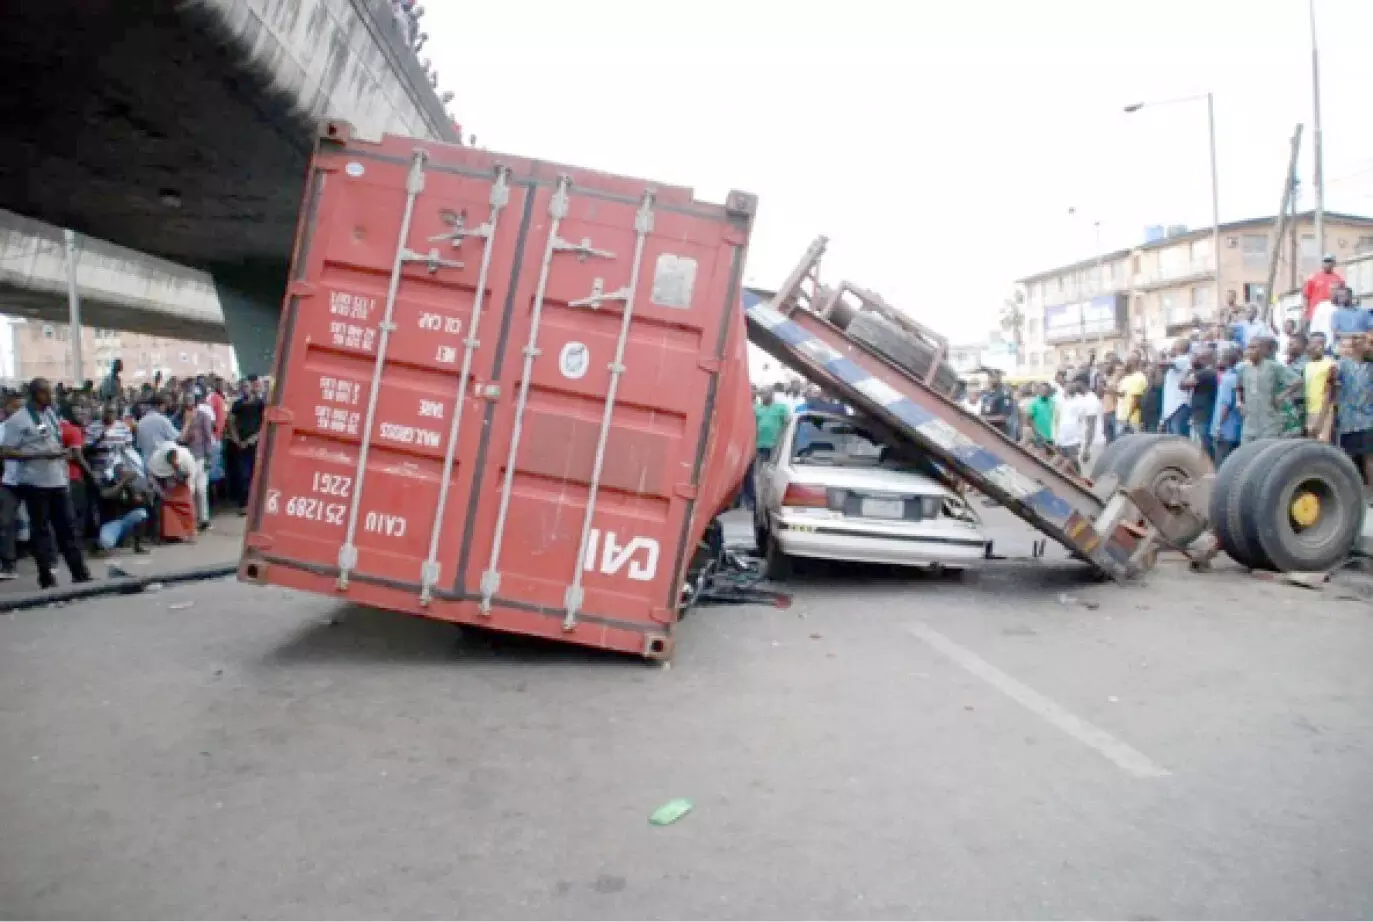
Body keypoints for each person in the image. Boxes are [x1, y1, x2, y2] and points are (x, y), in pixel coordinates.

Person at [0, 378, 91, 589]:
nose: (51, 396)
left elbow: (51, 438)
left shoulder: (50, 414)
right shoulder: (19, 420)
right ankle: (46, 577)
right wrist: (38, 455)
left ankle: (80, 573)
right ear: (37, 394)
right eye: (47, 393)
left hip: (57, 479)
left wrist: (59, 454)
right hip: (35, 483)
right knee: (41, 530)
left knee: (68, 528)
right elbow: (5, 451)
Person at [1319, 333, 1373, 489]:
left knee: (1369, 458)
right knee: (1347, 458)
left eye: (1362, 340)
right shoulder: (1341, 366)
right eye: (1354, 340)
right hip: (1348, 420)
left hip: (1368, 420)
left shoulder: (1370, 367)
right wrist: (1322, 421)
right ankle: (1347, 491)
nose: (1357, 343)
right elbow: (1329, 392)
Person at [1238, 336, 1300, 443]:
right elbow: (1238, 387)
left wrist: (1281, 396)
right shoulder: (1244, 369)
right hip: (1249, 423)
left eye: (1254, 348)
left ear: (1262, 350)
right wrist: (1239, 402)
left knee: (1266, 453)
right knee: (1246, 453)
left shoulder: (1273, 367)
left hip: (1269, 423)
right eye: (1248, 348)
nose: (1250, 351)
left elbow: (1297, 381)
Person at [226, 376, 265, 514]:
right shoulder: (237, 404)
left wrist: (256, 437)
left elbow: (264, 422)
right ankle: (244, 504)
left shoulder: (260, 403)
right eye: (242, 387)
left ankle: (256, 503)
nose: (245, 390)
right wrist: (236, 439)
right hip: (241, 444)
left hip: (255, 443)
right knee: (243, 474)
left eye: (247, 387)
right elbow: (230, 421)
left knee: (257, 473)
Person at [146, 443, 199, 542]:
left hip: (183, 487)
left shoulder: (186, 459)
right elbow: (152, 479)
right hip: (166, 488)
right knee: (165, 507)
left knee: (188, 507)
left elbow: (191, 479)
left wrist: (189, 492)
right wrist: (162, 494)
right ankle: (171, 534)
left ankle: (189, 532)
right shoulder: (154, 462)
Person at [179, 391, 216, 530]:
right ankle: (191, 519)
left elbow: (208, 438)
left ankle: (204, 518)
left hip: (200, 455)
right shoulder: (180, 416)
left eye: (190, 398)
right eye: (186, 399)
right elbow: (180, 438)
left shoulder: (203, 417)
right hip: (186, 456)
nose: (188, 401)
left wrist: (208, 456)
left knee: (201, 489)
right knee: (190, 488)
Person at [0, 391, 23, 580]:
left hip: (33, 480)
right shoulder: (3, 429)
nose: (18, 411)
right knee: (5, 522)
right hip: (10, 481)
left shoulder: (34, 425)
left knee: (43, 522)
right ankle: (8, 565)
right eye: (14, 407)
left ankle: (49, 562)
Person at [1055, 379, 1100, 471]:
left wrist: (1087, 448)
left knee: (1073, 463)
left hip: (1078, 441)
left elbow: (1091, 426)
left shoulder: (1088, 401)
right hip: (1065, 439)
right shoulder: (1068, 400)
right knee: (1071, 466)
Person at [1212, 346, 1243, 466]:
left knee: (1221, 463)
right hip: (1237, 428)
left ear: (1225, 361)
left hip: (1225, 429)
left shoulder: (1227, 380)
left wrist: (1218, 426)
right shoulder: (1238, 377)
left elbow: (1225, 405)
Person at [1186, 347, 1219, 461]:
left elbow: (1184, 384)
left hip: (1203, 412)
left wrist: (1190, 372)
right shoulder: (1207, 372)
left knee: (1205, 443)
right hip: (1202, 411)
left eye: (1199, 357)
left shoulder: (1206, 373)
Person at [1304, 334, 1337, 441]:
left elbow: (1330, 393)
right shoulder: (1307, 365)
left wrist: (1321, 420)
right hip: (1309, 410)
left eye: (1320, 343)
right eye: (1312, 343)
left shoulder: (1330, 365)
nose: (1318, 346)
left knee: (1322, 444)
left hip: (1324, 411)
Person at [1158, 338, 1193, 437]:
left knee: (1180, 440)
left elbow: (1162, 363)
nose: (1171, 349)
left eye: (1173, 347)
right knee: (1172, 442)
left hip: (1179, 406)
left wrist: (1161, 354)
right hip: (1171, 408)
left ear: (1178, 348)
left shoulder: (1184, 359)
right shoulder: (1177, 360)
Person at [135, 393, 179, 463]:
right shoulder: (163, 420)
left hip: (146, 461)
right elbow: (176, 438)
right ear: (161, 406)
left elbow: (139, 445)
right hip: (161, 461)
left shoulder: (140, 422)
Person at [1302, 254, 1345, 326]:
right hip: (1315, 313)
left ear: (1334, 263)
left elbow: (1343, 297)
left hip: (1332, 313)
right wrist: (1305, 311)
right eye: (1325, 261)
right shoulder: (1313, 277)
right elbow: (1306, 295)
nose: (1327, 263)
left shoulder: (1339, 279)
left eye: (1329, 261)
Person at [1116, 357, 1149, 435]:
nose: (1125, 364)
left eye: (1127, 362)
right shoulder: (1126, 378)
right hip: (1121, 417)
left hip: (1132, 419)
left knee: (1135, 444)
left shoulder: (1139, 377)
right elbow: (1122, 394)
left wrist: (1128, 417)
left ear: (1133, 364)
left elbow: (1136, 399)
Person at [1027, 382, 1055, 449]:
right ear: (1039, 391)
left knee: (1049, 457)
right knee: (1040, 456)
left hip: (1051, 437)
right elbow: (1029, 419)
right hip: (1039, 436)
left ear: (1049, 391)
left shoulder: (1053, 403)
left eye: (1046, 390)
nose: (1044, 392)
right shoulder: (1034, 403)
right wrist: (1036, 432)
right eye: (1042, 390)